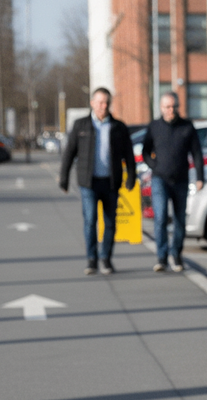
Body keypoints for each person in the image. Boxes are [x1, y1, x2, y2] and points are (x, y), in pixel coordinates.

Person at [59, 87, 136, 275]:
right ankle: (91, 259)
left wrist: (132, 176)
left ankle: (106, 259)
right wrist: (64, 178)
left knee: (110, 223)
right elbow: (69, 153)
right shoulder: (81, 125)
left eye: (106, 102)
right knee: (90, 220)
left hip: (111, 182)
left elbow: (128, 155)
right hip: (88, 183)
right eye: (100, 102)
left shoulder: (119, 127)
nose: (103, 106)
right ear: (92, 103)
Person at [142, 92, 205, 273]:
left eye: (174, 107)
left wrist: (200, 176)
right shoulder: (154, 126)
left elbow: (197, 153)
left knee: (179, 220)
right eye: (168, 107)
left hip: (181, 180)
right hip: (160, 179)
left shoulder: (187, 127)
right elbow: (146, 151)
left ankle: (176, 254)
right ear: (161, 108)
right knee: (160, 217)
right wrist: (154, 165)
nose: (171, 110)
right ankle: (161, 257)